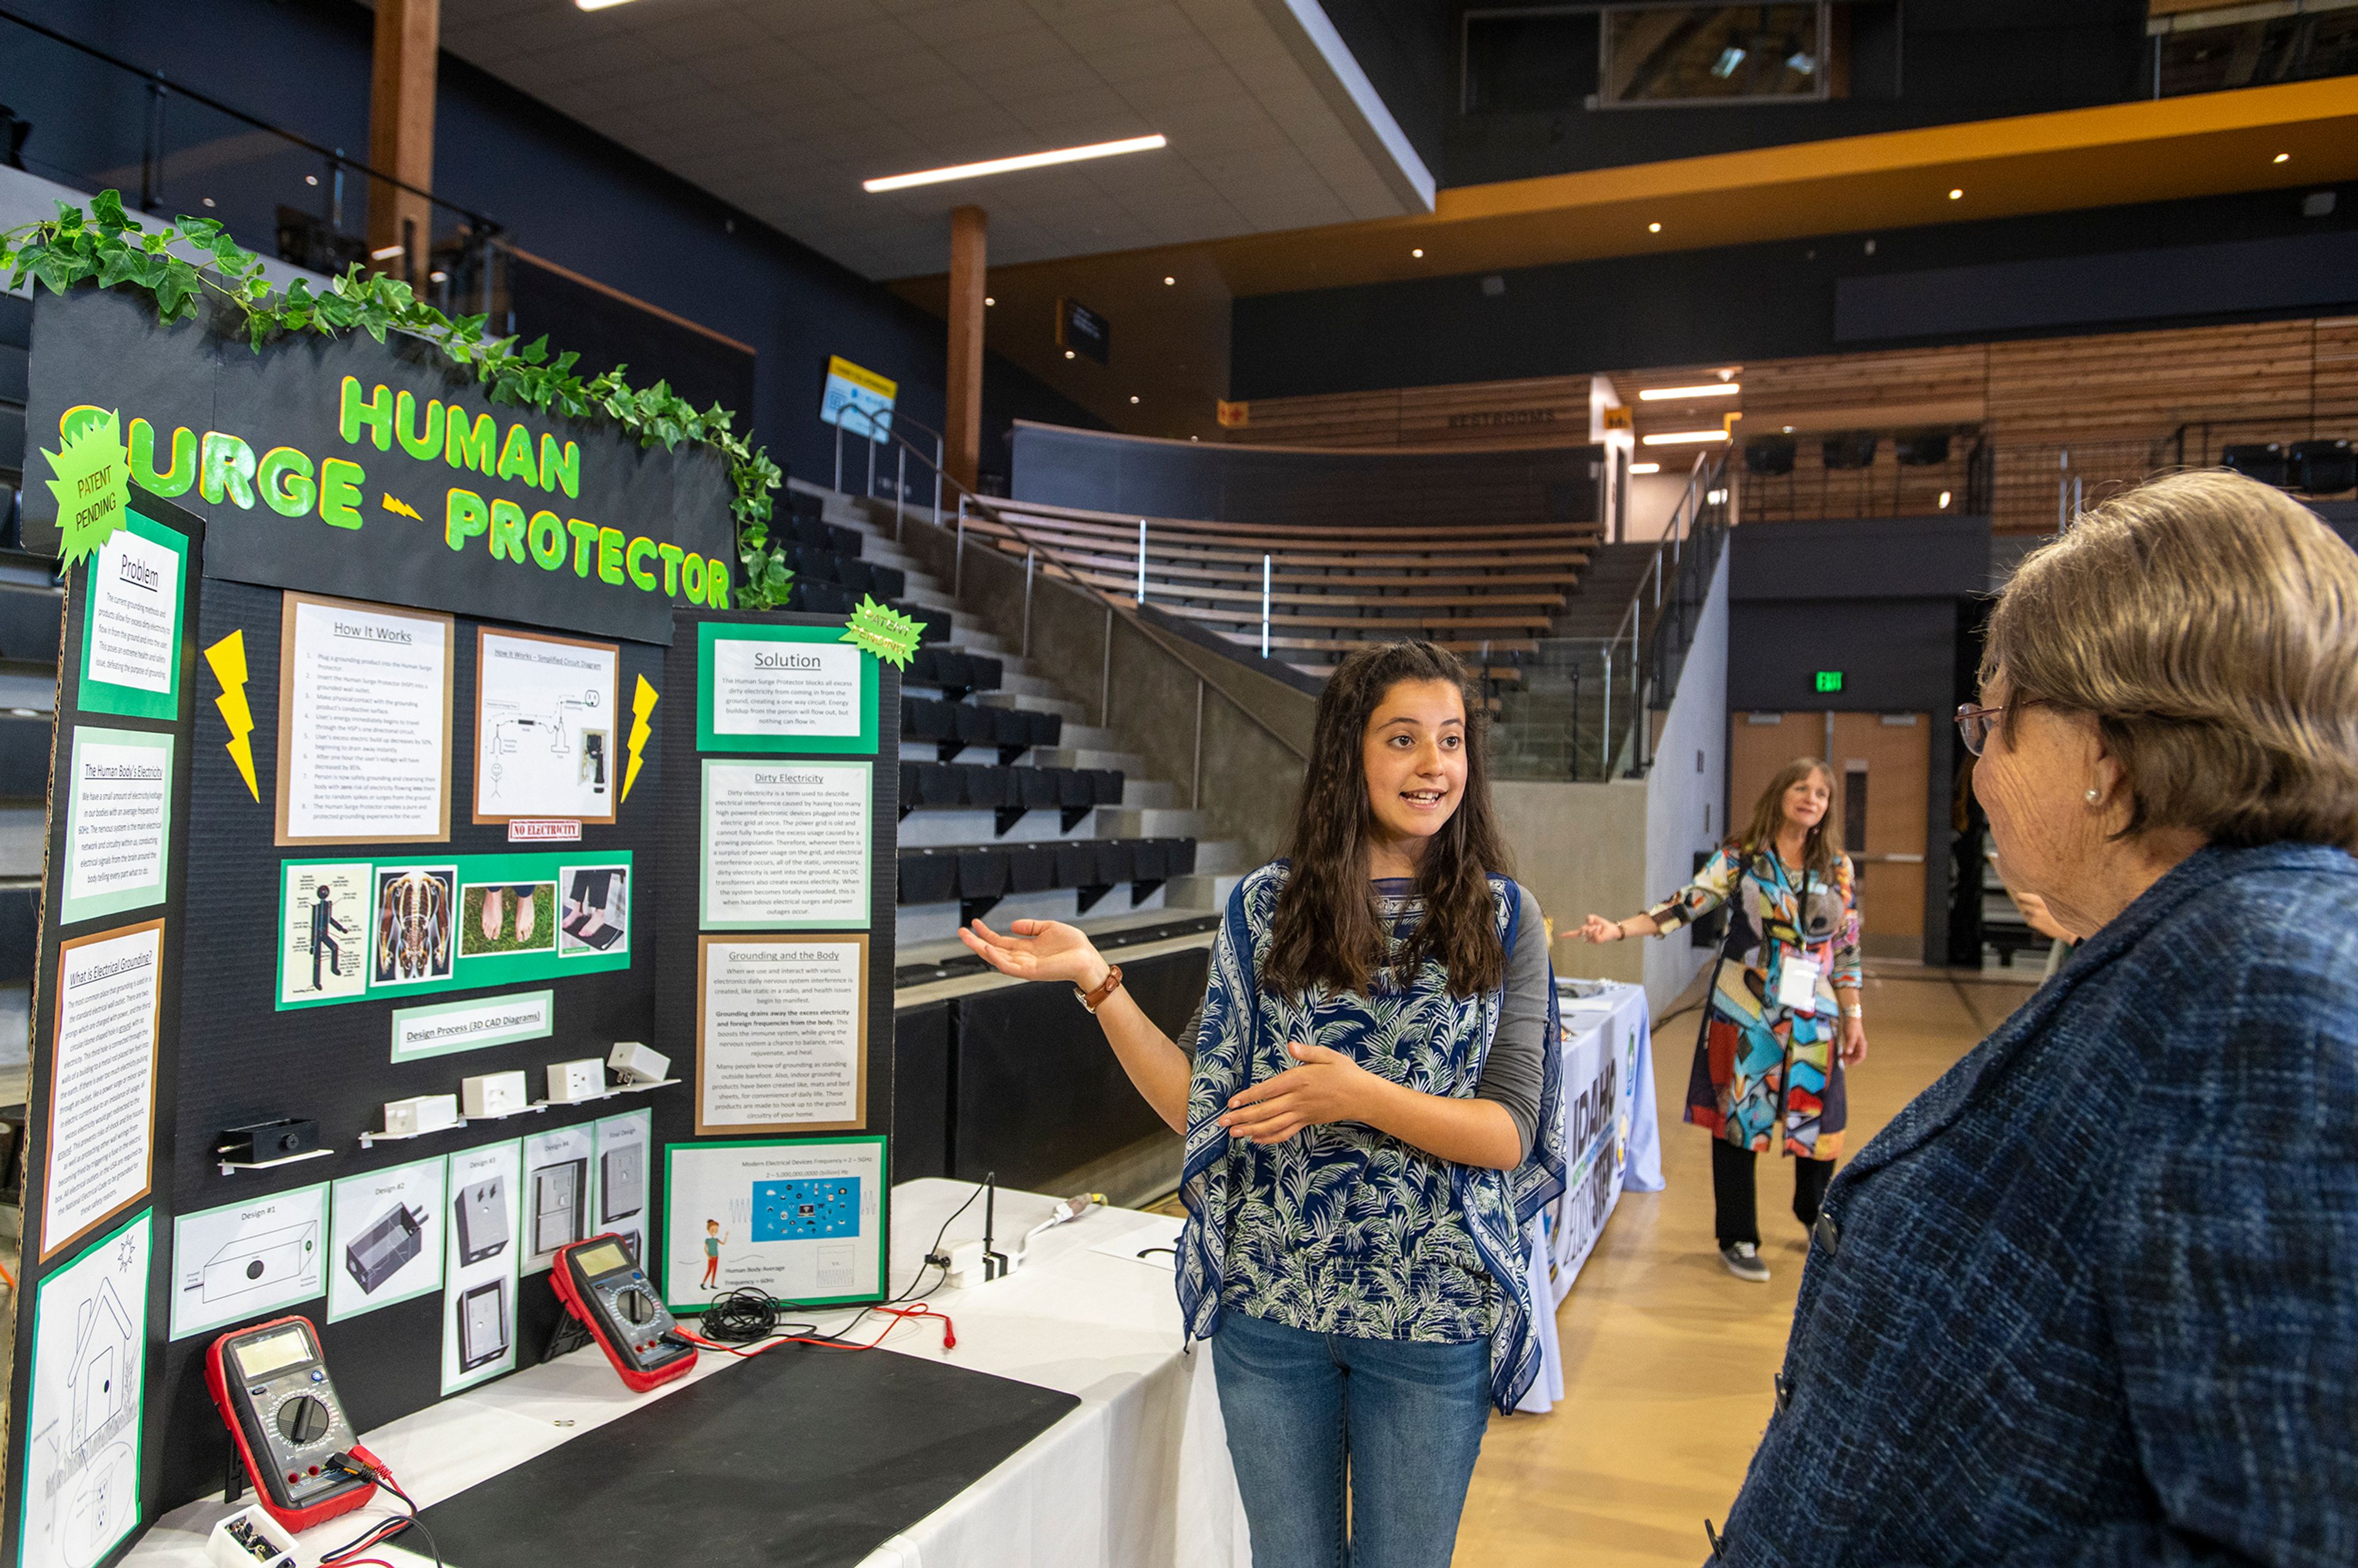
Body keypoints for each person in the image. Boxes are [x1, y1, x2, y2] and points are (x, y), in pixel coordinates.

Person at [1711, 470, 2358, 1564]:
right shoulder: (2190, 951)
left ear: (2106, 751)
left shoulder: (2266, 997)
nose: (1983, 776)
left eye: (1992, 724)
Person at [957, 642, 1565, 1568]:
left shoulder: (1504, 917)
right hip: (1274, 1315)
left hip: (1434, 1319)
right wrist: (1096, 981)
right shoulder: (1263, 910)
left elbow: (1509, 1135)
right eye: (1403, 739)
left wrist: (1355, 1094)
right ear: (1347, 755)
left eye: (1450, 740)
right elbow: (1204, 1109)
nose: (1434, 764)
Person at [1576, 758, 1866, 1283]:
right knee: (1740, 1118)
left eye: (1821, 794)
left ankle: (1814, 1213)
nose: (1811, 799)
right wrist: (1618, 931)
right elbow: (1687, 904)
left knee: (1820, 1120)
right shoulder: (1743, 857)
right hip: (1745, 1006)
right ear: (1779, 792)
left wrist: (1853, 1015)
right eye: (1800, 787)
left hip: (1814, 1013)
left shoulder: (1837, 868)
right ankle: (1738, 1234)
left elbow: (1845, 948)